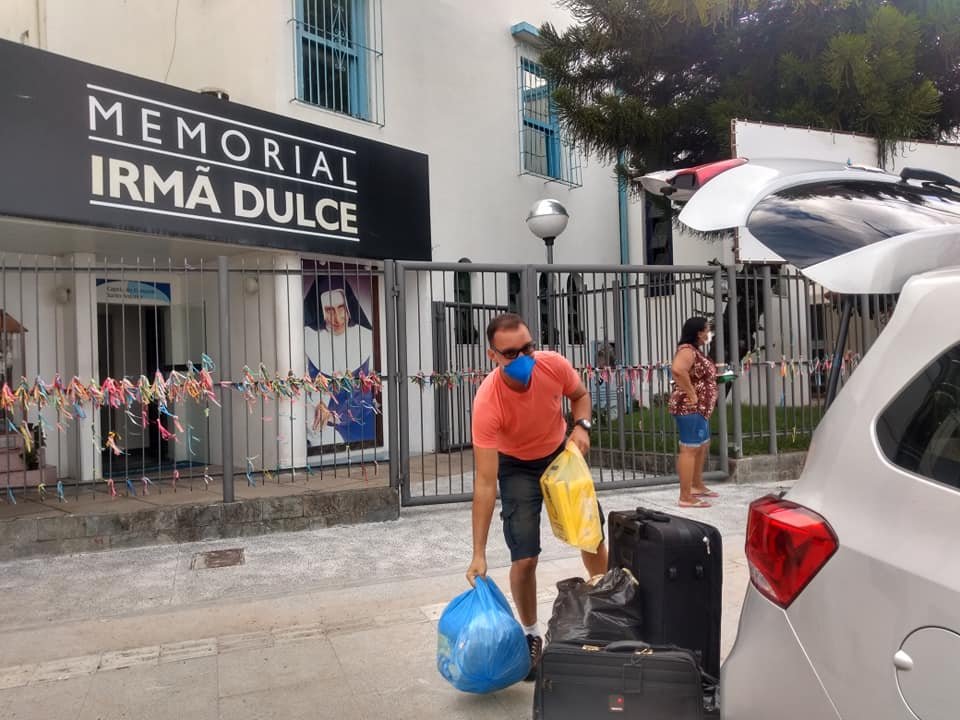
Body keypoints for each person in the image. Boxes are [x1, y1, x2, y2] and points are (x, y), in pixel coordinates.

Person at [466, 313, 608, 680]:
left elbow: (580, 396)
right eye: (511, 353)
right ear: (492, 356)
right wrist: (479, 553)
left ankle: (607, 609)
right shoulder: (488, 402)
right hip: (516, 467)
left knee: (591, 534)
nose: (523, 358)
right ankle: (531, 635)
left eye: (528, 348)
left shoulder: (553, 365)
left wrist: (582, 427)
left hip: (559, 454)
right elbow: (485, 482)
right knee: (525, 558)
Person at [304, 282, 376, 447]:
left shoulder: (365, 337)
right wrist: (319, 403)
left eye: (341, 307)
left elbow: (367, 392)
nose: (337, 318)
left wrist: (334, 415)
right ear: (320, 311)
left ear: (349, 306)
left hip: (361, 423)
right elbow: (306, 386)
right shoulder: (309, 338)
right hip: (324, 425)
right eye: (329, 310)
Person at [669, 317, 720, 508]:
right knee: (689, 449)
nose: (709, 333)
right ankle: (685, 496)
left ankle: (696, 485)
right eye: (707, 330)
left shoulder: (696, 351)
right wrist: (692, 394)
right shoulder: (687, 351)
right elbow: (677, 370)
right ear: (699, 333)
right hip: (690, 408)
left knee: (702, 445)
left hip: (701, 409)